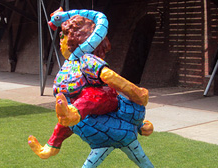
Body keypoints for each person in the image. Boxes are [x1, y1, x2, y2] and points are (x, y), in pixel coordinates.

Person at [28, 14, 153, 159]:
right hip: (74, 106)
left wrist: (137, 93)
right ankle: (50, 149)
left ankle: (140, 126)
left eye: (62, 37)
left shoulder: (86, 59)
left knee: (91, 95)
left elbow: (110, 77)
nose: (60, 41)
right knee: (62, 126)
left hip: (102, 99)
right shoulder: (70, 63)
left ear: (76, 39)